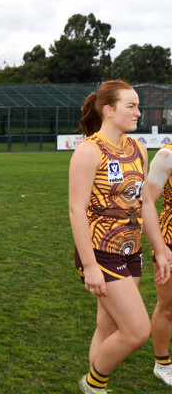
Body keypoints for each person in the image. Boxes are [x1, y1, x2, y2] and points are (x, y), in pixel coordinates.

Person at [69, 79, 171, 394]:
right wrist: (91, 266)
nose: (139, 112)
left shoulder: (138, 148)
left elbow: (145, 205)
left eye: (138, 105)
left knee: (109, 325)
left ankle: (96, 386)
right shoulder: (88, 151)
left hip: (131, 249)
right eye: (132, 106)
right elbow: (76, 211)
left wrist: (159, 249)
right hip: (100, 252)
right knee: (137, 330)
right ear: (110, 111)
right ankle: (93, 383)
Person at [147, 142, 172, 386]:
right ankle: (162, 363)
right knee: (168, 306)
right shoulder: (167, 156)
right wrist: (160, 248)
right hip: (171, 240)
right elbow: (148, 203)